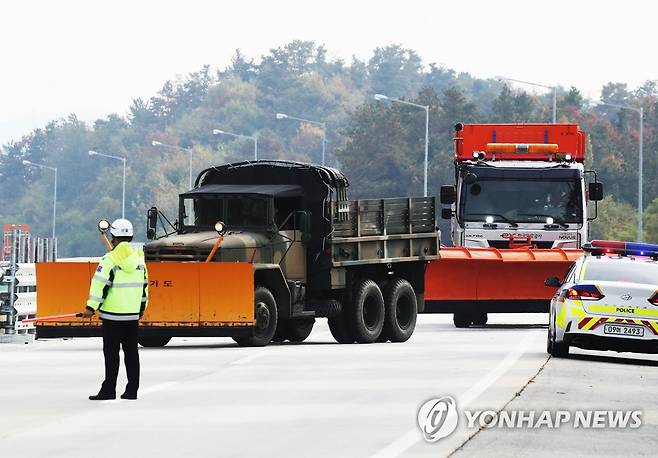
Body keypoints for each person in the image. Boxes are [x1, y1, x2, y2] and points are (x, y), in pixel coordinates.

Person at [82, 219, 148, 401]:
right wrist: (141, 309)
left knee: (111, 355)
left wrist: (90, 308)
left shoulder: (109, 259)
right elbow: (145, 288)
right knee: (132, 354)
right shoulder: (140, 261)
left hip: (112, 317)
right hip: (132, 316)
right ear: (131, 236)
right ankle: (132, 390)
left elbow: (99, 285)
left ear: (114, 237)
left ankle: (109, 390)